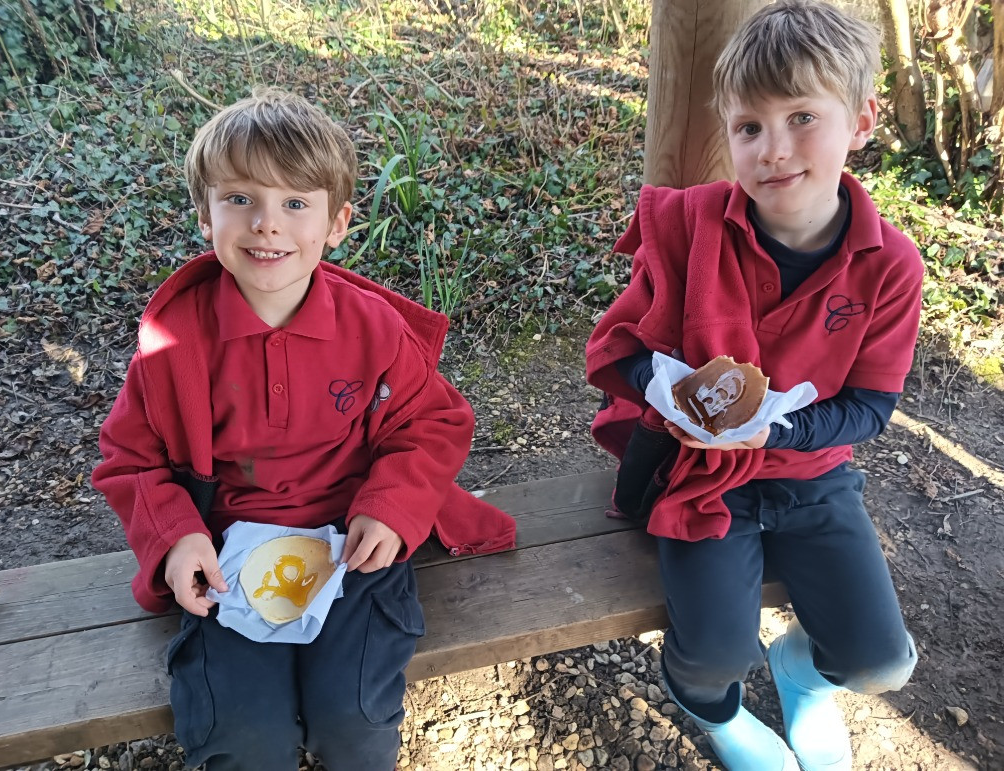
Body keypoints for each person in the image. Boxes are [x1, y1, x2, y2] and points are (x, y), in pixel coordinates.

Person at [92, 87, 515, 771]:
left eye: (295, 203)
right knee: (244, 738)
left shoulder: (372, 328)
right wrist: (177, 537)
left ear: (337, 221)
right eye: (240, 200)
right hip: (227, 556)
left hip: (352, 545)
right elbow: (129, 459)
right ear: (205, 214)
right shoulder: (176, 339)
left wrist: (392, 506)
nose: (267, 224)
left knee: (352, 725)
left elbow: (432, 421)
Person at [586, 3, 920, 769]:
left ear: (861, 120)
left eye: (802, 117)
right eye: (748, 128)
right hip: (703, 477)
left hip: (812, 475)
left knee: (881, 661)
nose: (774, 150)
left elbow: (869, 407)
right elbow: (617, 344)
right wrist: (660, 384)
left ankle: (802, 674)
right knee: (711, 655)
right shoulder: (690, 224)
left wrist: (782, 431)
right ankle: (721, 714)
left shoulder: (889, 267)